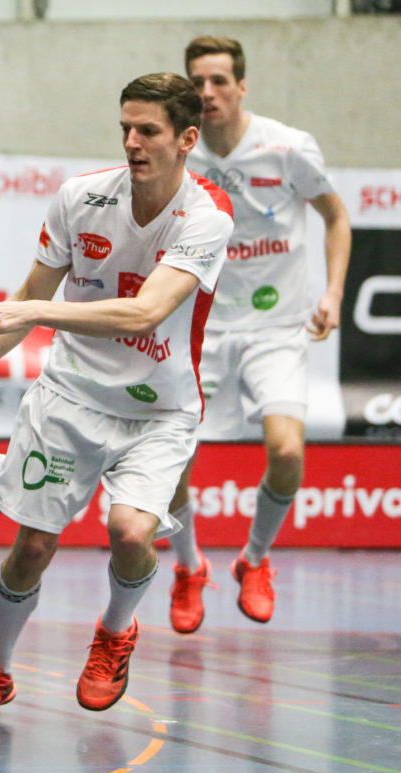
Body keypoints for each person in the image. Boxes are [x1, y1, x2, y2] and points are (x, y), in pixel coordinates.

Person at [0, 72, 233, 720]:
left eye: (148, 130)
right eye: (125, 129)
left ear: (187, 138)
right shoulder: (79, 199)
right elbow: (17, 315)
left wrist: (36, 308)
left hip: (159, 409)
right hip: (70, 396)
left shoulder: (207, 216)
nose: (133, 142)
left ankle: (115, 631)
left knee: (129, 528)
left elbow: (145, 312)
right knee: (32, 545)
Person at [164, 36, 352, 633]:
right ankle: (191, 568)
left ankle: (254, 559)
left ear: (241, 87)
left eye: (219, 81)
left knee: (288, 451)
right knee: (170, 461)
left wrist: (332, 293)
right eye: (197, 82)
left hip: (276, 325)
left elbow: (336, 217)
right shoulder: (176, 155)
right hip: (202, 326)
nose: (208, 92)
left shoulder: (287, 148)